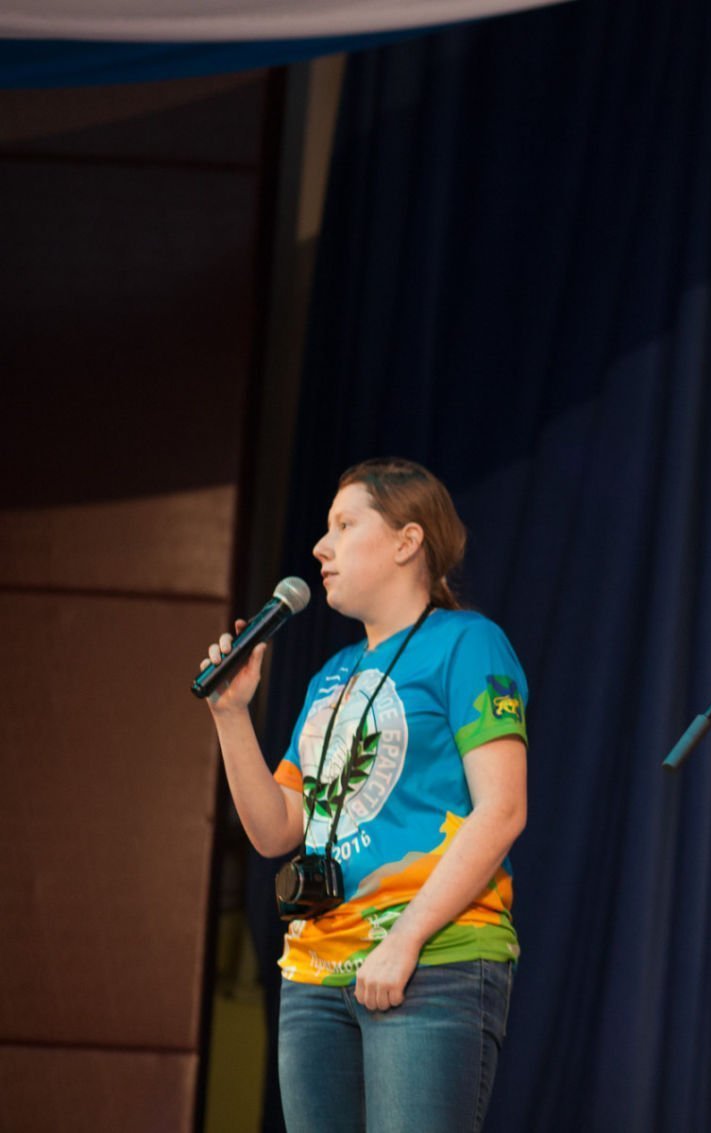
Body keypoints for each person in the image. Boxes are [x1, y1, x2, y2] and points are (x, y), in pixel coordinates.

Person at [203, 458, 529, 1133]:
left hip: (431, 959)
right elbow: (277, 829)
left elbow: (503, 809)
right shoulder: (332, 675)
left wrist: (404, 940)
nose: (321, 547)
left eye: (344, 525)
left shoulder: (467, 643)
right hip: (316, 970)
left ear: (408, 541)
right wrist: (231, 715)